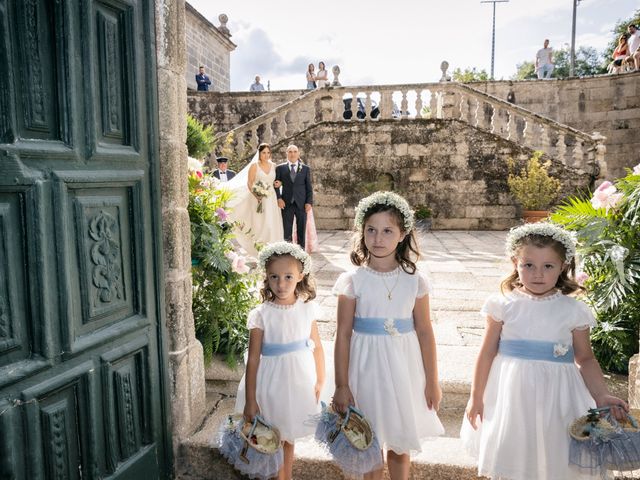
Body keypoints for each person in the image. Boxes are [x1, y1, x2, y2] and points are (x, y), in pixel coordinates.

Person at [460, 222, 629, 480]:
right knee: (515, 455)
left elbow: (584, 358)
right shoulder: (502, 305)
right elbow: (486, 353)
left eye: (548, 266)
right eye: (529, 265)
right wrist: (476, 396)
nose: (537, 274)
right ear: (515, 262)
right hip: (512, 396)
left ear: (562, 267)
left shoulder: (573, 310)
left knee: (557, 458)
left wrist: (602, 395)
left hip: (559, 397)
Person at [332, 191, 444, 480]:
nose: (378, 238)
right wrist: (342, 384)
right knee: (366, 442)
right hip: (364, 368)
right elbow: (343, 334)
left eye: (386, 231)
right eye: (371, 230)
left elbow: (424, 331)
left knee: (399, 441)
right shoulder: (352, 280)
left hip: (403, 369)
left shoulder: (415, 280)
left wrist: (432, 381)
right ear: (362, 232)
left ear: (402, 233)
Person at [235, 242, 325, 480]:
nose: (281, 284)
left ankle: (287, 476)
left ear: (300, 276)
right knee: (271, 437)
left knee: (289, 434)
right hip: (271, 384)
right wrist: (250, 400)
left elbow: (317, 347)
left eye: (288, 277)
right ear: (266, 277)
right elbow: (253, 359)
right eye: (274, 277)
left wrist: (320, 380)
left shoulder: (307, 309)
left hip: (298, 382)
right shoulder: (261, 314)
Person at [224, 143, 284, 257]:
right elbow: (250, 183)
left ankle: (274, 249)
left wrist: (279, 183)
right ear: (259, 154)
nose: (266, 155)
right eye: (263, 153)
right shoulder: (254, 166)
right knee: (261, 224)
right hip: (258, 199)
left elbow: (277, 181)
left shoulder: (274, 166)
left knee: (272, 223)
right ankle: (260, 249)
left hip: (271, 199)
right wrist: (257, 195)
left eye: (268, 153)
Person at [275, 145, 313, 251]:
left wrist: (309, 202)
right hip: (286, 203)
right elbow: (276, 185)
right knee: (287, 230)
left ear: (298, 153)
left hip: (301, 204)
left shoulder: (305, 169)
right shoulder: (280, 168)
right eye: (290, 152)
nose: (292, 154)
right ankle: (288, 252)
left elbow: (309, 187)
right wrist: (279, 198)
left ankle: (301, 253)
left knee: (301, 230)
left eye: (295, 151)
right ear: (286, 153)